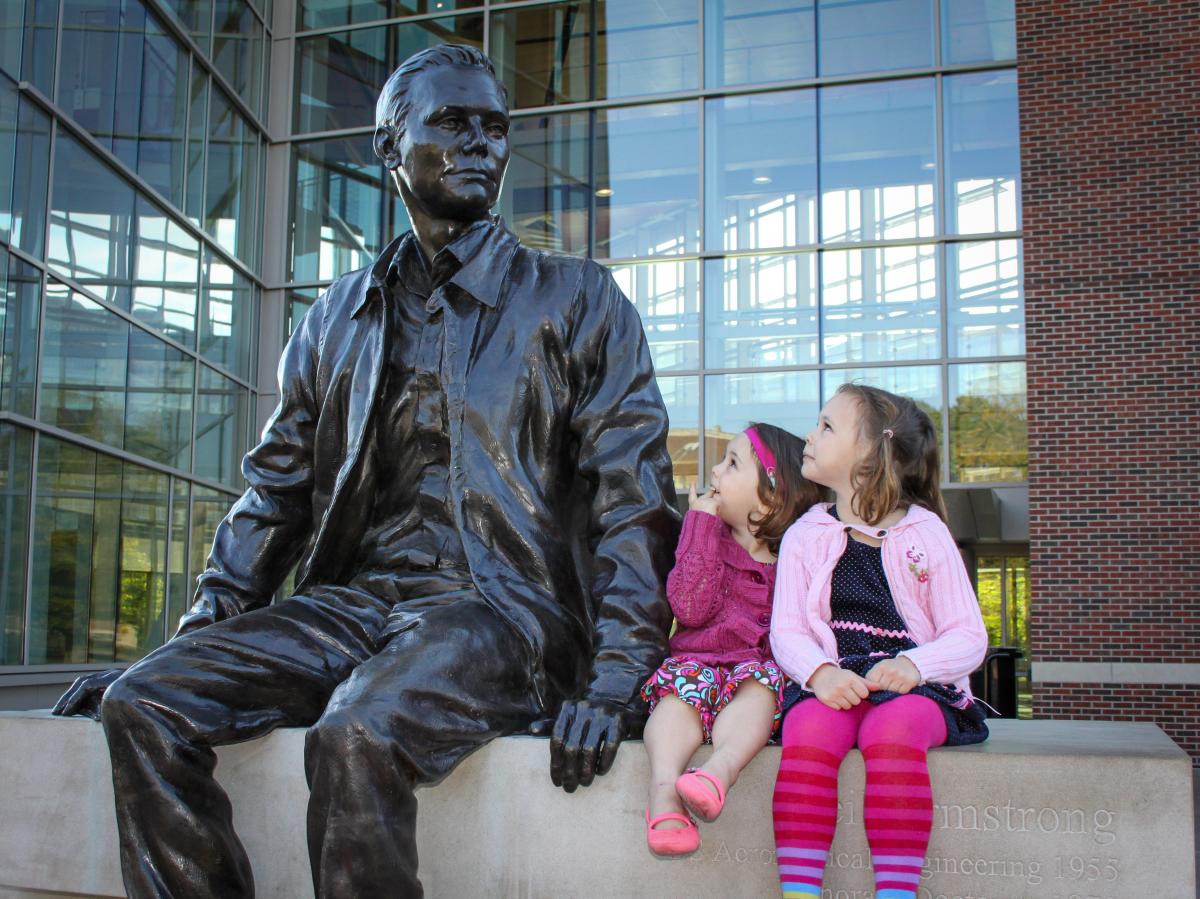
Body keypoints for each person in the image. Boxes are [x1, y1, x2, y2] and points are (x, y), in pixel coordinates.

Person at [52, 45, 680, 899]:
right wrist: (189, 648)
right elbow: (272, 499)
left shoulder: (577, 299)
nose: (482, 146)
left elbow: (633, 503)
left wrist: (614, 678)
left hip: (500, 611)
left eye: (495, 129)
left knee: (356, 730)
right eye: (453, 124)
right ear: (390, 147)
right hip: (353, 605)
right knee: (143, 703)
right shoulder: (333, 317)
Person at [770, 384, 989, 899]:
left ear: (870, 453)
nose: (810, 434)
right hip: (835, 679)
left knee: (894, 731)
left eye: (826, 427)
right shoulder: (806, 533)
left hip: (915, 688)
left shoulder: (925, 533)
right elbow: (787, 630)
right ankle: (799, 892)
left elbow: (968, 635)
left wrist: (915, 665)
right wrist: (820, 674)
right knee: (807, 731)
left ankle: (896, 892)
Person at [640, 424, 817, 856]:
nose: (715, 471)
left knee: (762, 691)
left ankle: (717, 773)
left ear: (772, 497)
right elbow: (689, 606)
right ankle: (664, 791)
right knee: (676, 698)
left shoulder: (795, 557)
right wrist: (699, 523)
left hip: (755, 673)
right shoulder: (705, 538)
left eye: (732, 463)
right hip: (696, 665)